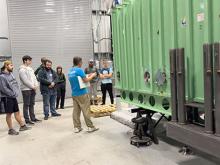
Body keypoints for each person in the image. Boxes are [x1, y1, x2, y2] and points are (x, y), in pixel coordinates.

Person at [68, 57, 99, 133]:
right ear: (79, 62)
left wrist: (88, 75)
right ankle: (90, 127)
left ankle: (77, 127)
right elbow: (85, 80)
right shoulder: (79, 70)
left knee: (76, 111)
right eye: (81, 62)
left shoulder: (70, 71)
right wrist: (92, 76)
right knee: (86, 110)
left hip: (74, 94)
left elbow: (79, 78)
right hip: (82, 93)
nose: (82, 63)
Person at [0, 61, 31, 135]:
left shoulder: (11, 74)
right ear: (6, 66)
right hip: (7, 97)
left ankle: (22, 126)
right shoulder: (2, 76)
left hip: (13, 97)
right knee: (9, 114)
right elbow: (3, 88)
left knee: (17, 112)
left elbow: (15, 84)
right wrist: (12, 94)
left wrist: (15, 93)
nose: (12, 67)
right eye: (11, 65)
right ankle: (10, 130)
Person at [19, 55, 41, 125]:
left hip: (32, 89)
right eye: (29, 60)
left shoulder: (30, 69)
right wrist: (32, 87)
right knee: (26, 105)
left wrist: (36, 85)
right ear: (25, 60)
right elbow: (25, 81)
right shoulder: (22, 70)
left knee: (32, 104)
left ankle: (33, 118)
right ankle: (27, 120)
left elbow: (34, 78)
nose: (31, 61)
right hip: (26, 89)